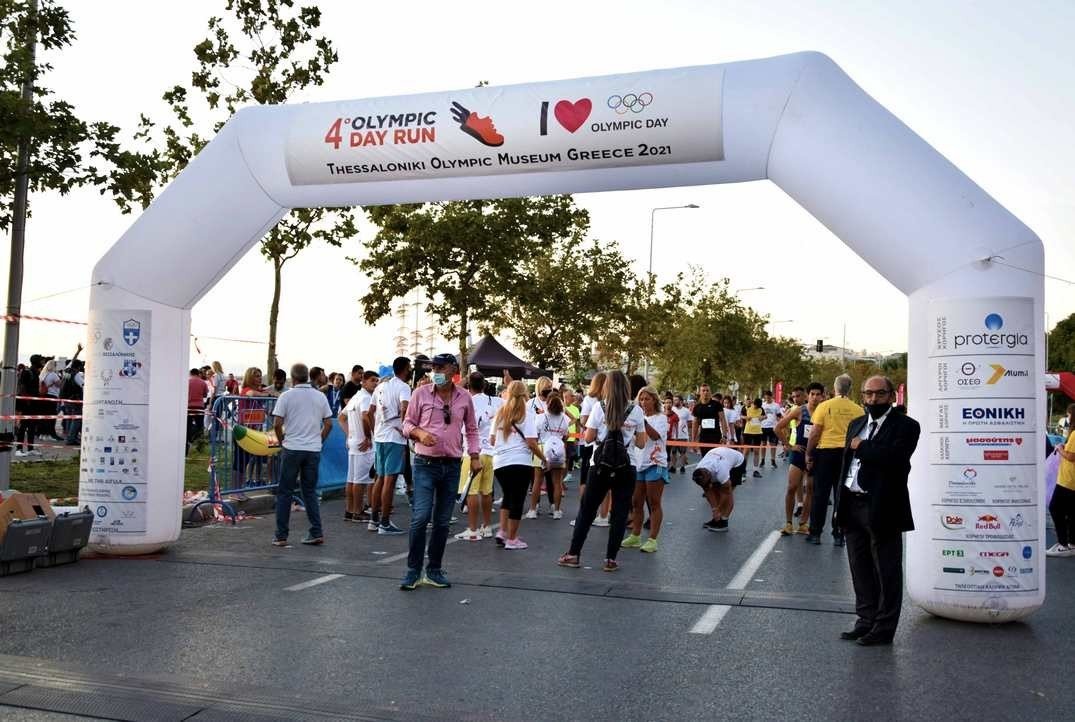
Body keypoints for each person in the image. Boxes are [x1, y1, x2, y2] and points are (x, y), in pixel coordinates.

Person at [837, 375, 920, 646]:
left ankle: (884, 628)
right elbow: (846, 466)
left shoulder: (906, 426)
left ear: (892, 396)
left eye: (879, 394)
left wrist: (864, 447)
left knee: (886, 569)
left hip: (883, 505)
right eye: (868, 394)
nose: (873, 399)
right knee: (859, 567)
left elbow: (895, 459)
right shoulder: (856, 424)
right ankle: (865, 620)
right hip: (852, 503)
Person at [399, 353, 480, 590]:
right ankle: (413, 570)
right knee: (421, 517)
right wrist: (419, 433)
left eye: (440, 367)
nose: (436, 371)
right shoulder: (420, 393)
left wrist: (474, 456)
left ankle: (434, 569)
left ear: (453, 370)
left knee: (443, 521)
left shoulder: (465, 397)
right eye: (433, 367)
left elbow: (472, 429)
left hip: (453, 465)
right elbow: (407, 424)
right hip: (425, 463)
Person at [558, 370, 646, 572]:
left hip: (600, 465)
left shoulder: (599, 407)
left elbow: (588, 438)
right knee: (620, 512)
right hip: (627, 465)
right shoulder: (636, 411)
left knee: (587, 510)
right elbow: (641, 443)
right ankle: (610, 559)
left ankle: (573, 554)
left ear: (606, 386)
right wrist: (628, 436)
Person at [271, 363, 334, 547]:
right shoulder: (320, 396)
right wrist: (319, 440)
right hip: (313, 449)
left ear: (293, 377)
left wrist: (282, 441)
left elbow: (277, 423)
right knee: (310, 491)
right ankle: (316, 531)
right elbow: (328, 424)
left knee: (285, 492)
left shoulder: (286, 396)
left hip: (292, 447)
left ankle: (281, 535)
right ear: (307, 376)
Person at [805, 374, 862, 546]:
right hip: (847, 455)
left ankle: (815, 533)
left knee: (820, 494)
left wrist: (809, 453)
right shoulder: (858, 409)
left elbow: (815, 433)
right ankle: (839, 534)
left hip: (825, 453)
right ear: (850, 389)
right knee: (841, 496)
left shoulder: (824, 406)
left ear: (834, 388)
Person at [490, 380, 545, 550]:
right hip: (520, 461)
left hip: (499, 462)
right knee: (517, 500)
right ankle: (512, 539)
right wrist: (544, 458)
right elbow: (531, 443)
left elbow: (492, 440)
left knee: (508, 496)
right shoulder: (527, 415)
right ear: (525, 394)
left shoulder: (500, 413)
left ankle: (502, 531)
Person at [622, 386, 669, 553]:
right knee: (636, 502)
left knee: (654, 502)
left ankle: (652, 539)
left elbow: (656, 436)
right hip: (638, 462)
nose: (643, 402)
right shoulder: (636, 417)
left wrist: (643, 421)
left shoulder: (661, 418)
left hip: (655, 463)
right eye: (641, 399)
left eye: (647, 399)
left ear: (654, 400)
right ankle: (635, 535)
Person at [370, 357, 413, 535]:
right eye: (409, 367)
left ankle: (373, 520)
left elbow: (370, 412)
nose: (411, 370)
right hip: (394, 438)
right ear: (404, 369)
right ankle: (385, 522)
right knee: (390, 479)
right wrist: (404, 427)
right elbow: (405, 407)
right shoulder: (403, 387)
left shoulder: (381, 386)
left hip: (380, 437)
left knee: (380, 478)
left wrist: (375, 429)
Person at [456, 372, 500, 541]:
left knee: (472, 492)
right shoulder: (494, 401)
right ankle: (487, 527)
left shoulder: (465, 400)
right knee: (487, 491)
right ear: (484, 385)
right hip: (489, 452)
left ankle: (473, 529)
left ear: (469, 385)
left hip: (472, 451)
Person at [775, 383, 824, 535]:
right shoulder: (799, 411)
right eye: (812, 394)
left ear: (822, 396)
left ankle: (803, 523)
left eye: (818, 394)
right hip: (799, 452)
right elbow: (778, 428)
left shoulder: (824, 411)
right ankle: (789, 523)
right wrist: (789, 446)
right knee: (792, 487)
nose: (815, 397)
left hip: (816, 454)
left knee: (810, 489)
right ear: (807, 395)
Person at [340, 370, 379, 522]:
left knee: (351, 479)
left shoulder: (355, 397)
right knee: (360, 480)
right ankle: (357, 512)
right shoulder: (365, 398)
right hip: (363, 443)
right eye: (372, 380)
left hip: (354, 441)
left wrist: (349, 433)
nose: (375, 384)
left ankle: (349, 511)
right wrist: (368, 437)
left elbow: (341, 417)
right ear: (364, 382)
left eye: (377, 381)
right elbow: (365, 417)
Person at [528, 390, 569, 518]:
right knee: (557, 482)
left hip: (542, 448)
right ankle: (556, 510)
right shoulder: (565, 419)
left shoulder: (540, 418)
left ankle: (533, 510)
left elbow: (535, 435)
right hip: (558, 451)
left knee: (537, 481)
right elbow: (565, 436)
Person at [574, 372, 607, 527]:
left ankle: (584, 514)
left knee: (585, 480)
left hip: (590, 443)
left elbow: (584, 421)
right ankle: (603, 515)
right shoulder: (610, 400)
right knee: (606, 482)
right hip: (607, 445)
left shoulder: (589, 400)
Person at [692, 445, 746, 532]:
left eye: (709, 483)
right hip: (720, 455)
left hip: (737, 463)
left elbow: (726, 492)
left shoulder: (721, 472)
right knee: (714, 491)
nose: (709, 486)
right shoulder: (699, 472)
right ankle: (717, 519)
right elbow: (707, 491)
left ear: (710, 475)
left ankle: (723, 522)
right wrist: (714, 509)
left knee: (726, 494)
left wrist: (718, 508)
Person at [1047, 403, 1075, 557]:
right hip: (1071, 480)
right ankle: (1071, 543)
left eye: (1068, 414)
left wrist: (1060, 449)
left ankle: (1063, 544)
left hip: (1068, 480)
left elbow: (1071, 456)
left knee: (1055, 507)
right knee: (1071, 512)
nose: (1067, 417)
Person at [691, 384, 729, 457]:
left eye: (707, 390)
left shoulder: (717, 404)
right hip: (703, 438)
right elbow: (695, 424)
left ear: (710, 392)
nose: (705, 392)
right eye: (703, 390)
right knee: (705, 460)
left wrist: (724, 436)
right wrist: (693, 440)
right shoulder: (697, 407)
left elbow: (723, 420)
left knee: (716, 459)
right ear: (700, 393)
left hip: (716, 437)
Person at [186, 368, 209, 453]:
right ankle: (200, 448)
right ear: (198, 374)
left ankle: (186, 447)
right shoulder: (203, 382)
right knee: (200, 427)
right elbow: (205, 394)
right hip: (199, 407)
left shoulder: (187, 381)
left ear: (190, 374)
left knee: (187, 427)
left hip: (188, 407)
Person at [760, 389, 783, 468]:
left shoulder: (776, 405)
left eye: (768, 398)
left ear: (771, 397)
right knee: (763, 444)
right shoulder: (762, 405)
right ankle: (762, 460)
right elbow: (759, 416)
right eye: (766, 398)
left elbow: (779, 416)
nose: (767, 399)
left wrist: (781, 425)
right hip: (763, 427)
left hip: (773, 427)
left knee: (773, 444)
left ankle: (773, 461)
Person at [743, 398, 764, 477]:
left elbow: (765, 416)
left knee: (756, 451)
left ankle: (755, 470)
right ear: (753, 403)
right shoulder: (747, 407)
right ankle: (743, 470)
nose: (756, 407)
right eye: (755, 406)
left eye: (757, 407)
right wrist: (746, 418)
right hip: (748, 432)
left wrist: (763, 417)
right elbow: (741, 415)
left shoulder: (761, 409)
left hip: (758, 432)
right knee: (746, 451)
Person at [671, 395, 692, 473]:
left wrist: (688, 433)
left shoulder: (686, 411)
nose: (674, 401)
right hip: (673, 435)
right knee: (673, 452)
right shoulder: (672, 410)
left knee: (682, 452)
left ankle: (682, 467)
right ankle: (673, 467)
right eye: (674, 400)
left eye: (676, 400)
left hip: (683, 435)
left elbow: (690, 423)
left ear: (681, 401)